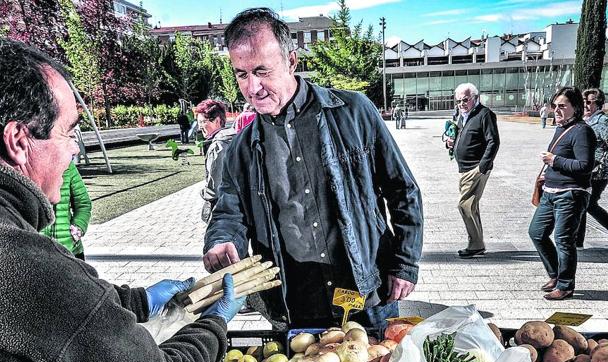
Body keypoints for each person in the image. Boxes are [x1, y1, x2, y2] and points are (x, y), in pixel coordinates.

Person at [0, 37, 244, 362]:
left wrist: (135, 301)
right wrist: (214, 324)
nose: (75, 150)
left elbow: (64, 316)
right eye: (68, 133)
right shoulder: (22, 264)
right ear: (18, 141)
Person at [202, 8, 423, 330]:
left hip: (367, 292)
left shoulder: (353, 113)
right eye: (241, 74)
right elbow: (228, 213)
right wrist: (221, 240)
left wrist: (404, 264)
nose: (253, 87)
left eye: (263, 71)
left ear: (291, 61)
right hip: (293, 306)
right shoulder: (240, 149)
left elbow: (402, 190)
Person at [528, 86, 596, 301]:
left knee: (564, 239)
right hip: (550, 192)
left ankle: (566, 285)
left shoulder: (582, 131)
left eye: (562, 106)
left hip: (571, 194)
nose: (556, 110)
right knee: (536, 232)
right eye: (554, 106)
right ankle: (555, 274)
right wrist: (548, 173)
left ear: (575, 108)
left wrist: (554, 161)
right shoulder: (561, 128)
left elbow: (585, 165)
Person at [446, 83, 499, 258]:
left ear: (475, 98)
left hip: (475, 168)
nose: (461, 104)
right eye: (458, 101)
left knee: (464, 205)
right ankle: (478, 243)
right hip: (464, 168)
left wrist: (482, 167)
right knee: (471, 206)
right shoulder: (463, 115)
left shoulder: (485, 114)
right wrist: (451, 143)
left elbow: (493, 141)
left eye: (465, 100)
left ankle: (475, 244)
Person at [576, 88, 608, 248]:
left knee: (589, 203)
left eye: (589, 102)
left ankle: (577, 241)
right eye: (584, 102)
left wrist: (598, 161)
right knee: (583, 201)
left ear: (598, 103)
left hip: (598, 172)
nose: (586, 105)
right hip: (588, 169)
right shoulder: (587, 120)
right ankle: (577, 241)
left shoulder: (602, 121)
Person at [41, 162, 92, 260]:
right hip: (36, 253)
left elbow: (83, 204)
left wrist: (78, 228)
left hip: (70, 250)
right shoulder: (25, 166)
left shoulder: (68, 166)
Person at [197, 99, 237, 223]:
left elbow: (215, 185)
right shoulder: (234, 137)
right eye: (198, 122)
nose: (200, 126)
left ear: (217, 120)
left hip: (222, 207)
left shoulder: (219, 145)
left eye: (203, 122)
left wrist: (204, 193)